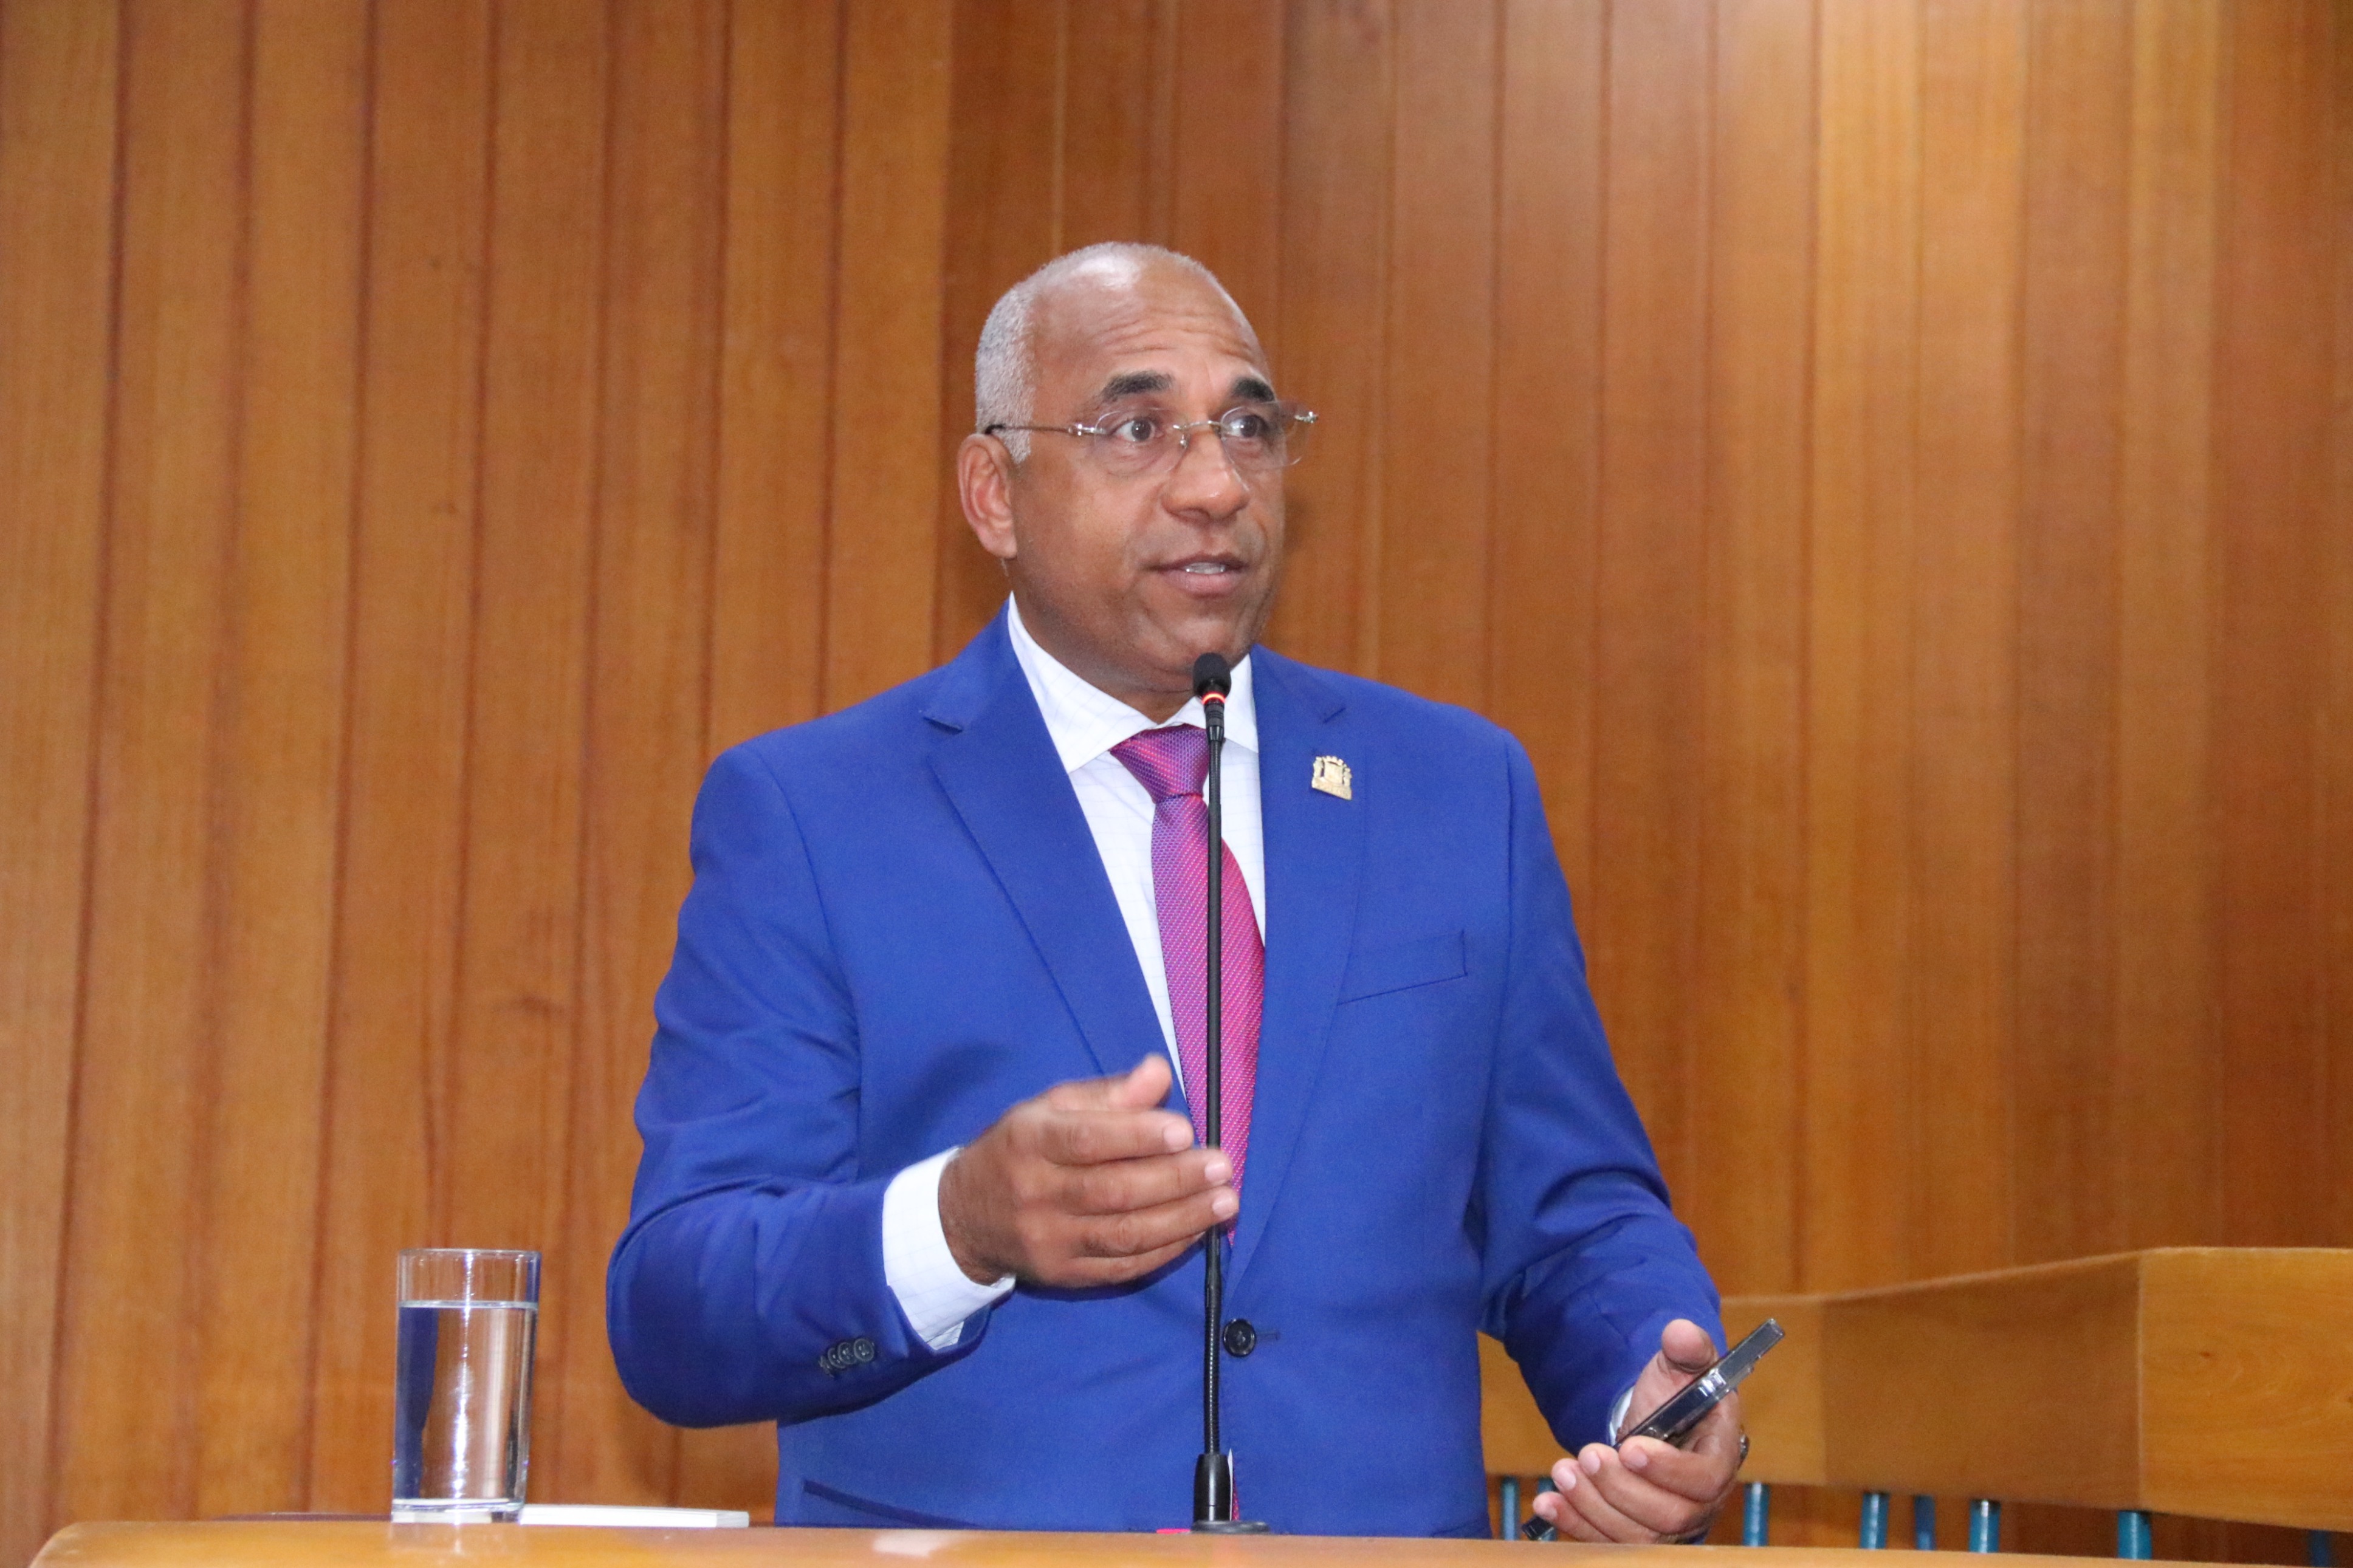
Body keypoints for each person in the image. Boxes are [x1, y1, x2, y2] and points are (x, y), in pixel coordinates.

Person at [608, 243, 1742, 1540]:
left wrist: (1654, 1390)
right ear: (994, 493)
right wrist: (958, 1223)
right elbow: (676, 1310)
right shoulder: (814, 814)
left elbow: (1573, 1214)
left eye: (1248, 428)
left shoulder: (1454, 790)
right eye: (1138, 429)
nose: (1215, 486)